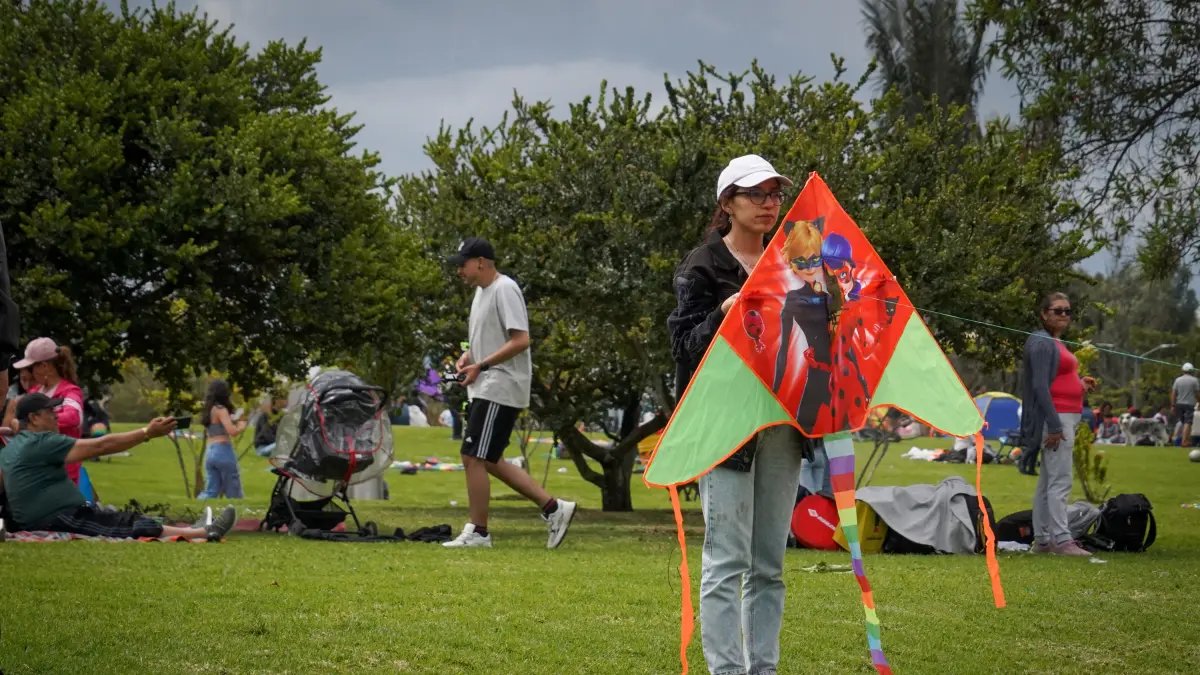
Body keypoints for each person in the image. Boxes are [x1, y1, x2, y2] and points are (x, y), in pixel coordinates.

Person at [668, 154, 818, 674]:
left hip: (783, 426)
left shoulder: (797, 256)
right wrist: (722, 314)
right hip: (727, 429)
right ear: (727, 202)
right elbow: (683, 346)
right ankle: (728, 671)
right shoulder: (702, 265)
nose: (769, 203)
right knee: (726, 562)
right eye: (756, 194)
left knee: (769, 566)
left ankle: (764, 669)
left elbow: (812, 343)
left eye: (776, 194)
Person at [443, 236, 576, 549]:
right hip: (487, 384)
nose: (459, 271)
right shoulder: (480, 294)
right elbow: (488, 341)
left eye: (462, 264)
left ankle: (478, 532)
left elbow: (521, 340)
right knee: (486, 459)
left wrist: (482, 366)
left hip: (501, 384)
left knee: (472, 454)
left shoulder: (505, 288)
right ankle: (554, 508)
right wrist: (468, 358)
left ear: (480, 262)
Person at [0, 393, 235, 540]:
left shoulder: (12, 447)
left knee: (117, 517)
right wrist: (147, 433)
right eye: (50, 412)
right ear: (33, 418)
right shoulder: (42, 442)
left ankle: (194, 530)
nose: (56, 417)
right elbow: (101, 446)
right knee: (122, 524)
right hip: (56, 518)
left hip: (50, 516)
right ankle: (205, 533)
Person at [1017, 292, 1096, 556]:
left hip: (1064, 416)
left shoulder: (1055, 342)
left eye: (1067, 311)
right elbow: (1039, 386)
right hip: (1056, 419)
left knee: (1048, 481)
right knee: (1060, 481)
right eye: (1057, 310)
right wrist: (1053, 425)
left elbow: (1056, 380)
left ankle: (1042, 541)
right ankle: (1062, 541)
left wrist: (1080, 385)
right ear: (1044, 313)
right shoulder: (1041, 341)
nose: (1063, 315)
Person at [13, 338, 85, 485]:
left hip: (62, 475)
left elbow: (73, 417)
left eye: (31, 367)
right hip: (34, 471)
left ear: (44, 366)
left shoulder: (70, 392)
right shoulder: (34, 391)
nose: (28, 373)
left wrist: (36, 422)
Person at [197, 379, 247, 499]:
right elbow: (232, 432)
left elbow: (218, 425)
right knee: (233, 489)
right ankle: (239, 513)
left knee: (211, 490)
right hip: (223, 450)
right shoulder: (221, 409)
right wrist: (241, 425)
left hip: (210, 451)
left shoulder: (209, 409)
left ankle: (198, 507)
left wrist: (232, 420)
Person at [1170, 362, 1198, 447]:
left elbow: (1174, 393)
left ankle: (1183, 439)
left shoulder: (1178, 380)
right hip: (1189, 404)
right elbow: (1197, 393)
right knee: (1188, 422)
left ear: (1183, 370)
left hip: (1179, 404)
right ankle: (1184, 441)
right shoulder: (1194, 380)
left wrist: (1173, 405)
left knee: (1183, 422)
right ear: (1191, 371)